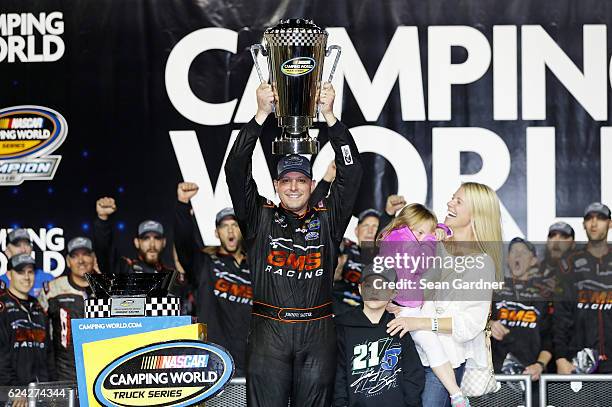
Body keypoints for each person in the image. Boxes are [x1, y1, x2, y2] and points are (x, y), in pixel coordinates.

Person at [225, 81, 362, 406]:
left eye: (301, 180)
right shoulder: (258, 216)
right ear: (276, 185)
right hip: (268, 333)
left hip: (317, 334)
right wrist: (260, 115)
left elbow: (352, 172)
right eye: (286, 181)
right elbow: (234, 169)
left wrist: (331, 118)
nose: (294, 187)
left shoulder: (328, 219)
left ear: (311, 184)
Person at [386, 182, 503, 407]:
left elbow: (470, 324)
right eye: (452, 197)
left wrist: (416, 321)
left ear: (476, 213)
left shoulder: (481, 262)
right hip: (407, 354)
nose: (450, 203)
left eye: (458, 201)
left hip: (443, 365)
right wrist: (393, 302)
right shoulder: (431, 242)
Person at [378, 203, 468, 407]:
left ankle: (456, 394)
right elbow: (422, 262)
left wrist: (440, 230)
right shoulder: (399, 240)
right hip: (404, 306)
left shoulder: (400, 237)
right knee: (431, 345)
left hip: (404, 304)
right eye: (419, 232)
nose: (422, 238)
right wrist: (430, 238)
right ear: (405, 224)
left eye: (425, 234)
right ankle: (456, 394)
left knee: (427, 348)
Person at [174, 181, 252, 376]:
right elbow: (184, 245)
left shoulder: (256, 266)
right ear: (217, 233)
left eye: (235, 225)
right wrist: (183, 205)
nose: (231, 231)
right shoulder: (204, 264)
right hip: (213, 361)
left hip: (251, 360)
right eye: (225, 226)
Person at [334, 265, 424, 407]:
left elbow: (413, 373)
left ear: (393, 293)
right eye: (369, 285)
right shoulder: (343, 326)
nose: (374, 291)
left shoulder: (398, 327)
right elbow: (338, 375)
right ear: (360, 289)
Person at [490, 237, 552, 401]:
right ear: (508, 259)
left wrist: (539, 365)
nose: (517, 255)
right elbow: (473, 324)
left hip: (531, 376)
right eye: (513, 252)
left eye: (523, 252)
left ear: (533, 260)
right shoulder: (493, 291)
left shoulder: (543, 295)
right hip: (497, 378)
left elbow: (550, 338)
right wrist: (488, 325)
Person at [554, 202, 612, 374]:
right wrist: (560, 357)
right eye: (589, 218)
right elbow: (560, 315)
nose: (594, 223)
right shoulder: (568, 263)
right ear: (583, 224)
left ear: (610, 223)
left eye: (600, 218)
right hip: (578, 360)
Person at [38, 237, 95, 381]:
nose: (81, 260)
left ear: (93, 258)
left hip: (99, 371)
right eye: (75, 256)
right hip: (64, 374)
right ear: (68, 261)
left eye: (86, 254)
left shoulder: (108, 289)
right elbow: (39, 334)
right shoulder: (52, 290)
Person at [0, 254, 51, 386]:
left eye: (30, 272)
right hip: (13, 396)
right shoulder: (2, 307)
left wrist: (53, 387)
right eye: (21, 272)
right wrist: (14, 388)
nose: (27, 277)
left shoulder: (39, 307)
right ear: (9, 275)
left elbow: (49, 354)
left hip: (42, 393)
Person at [93, 197, 175, 275]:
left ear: (164, 242)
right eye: (146, 238)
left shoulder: (172, 277)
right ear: (137, 242)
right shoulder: (124, 269)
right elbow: (105, 254)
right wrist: (102, 220)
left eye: (157, 238)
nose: (152, 244)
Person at [332, 208, 381, 315]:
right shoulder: (345, 246)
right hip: (335, 307)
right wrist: (339, 264)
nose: (370, 231)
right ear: (356, 230)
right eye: (365, 226)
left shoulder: (386, 259)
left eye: (375, 227)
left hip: (365, 315)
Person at [1, 228, 54, 297]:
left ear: (31, 249)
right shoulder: (1, 282)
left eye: (26, 244)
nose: (23, 250)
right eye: (17, 245)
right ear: (7, 252)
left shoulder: (47, 279)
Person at [535, 221, 575, 298]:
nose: (556, 241)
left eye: (563, 236)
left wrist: (561, 292)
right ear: (547, 242)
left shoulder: (581, 272)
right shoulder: (534, 269)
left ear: (573, 244)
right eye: (552, 235)